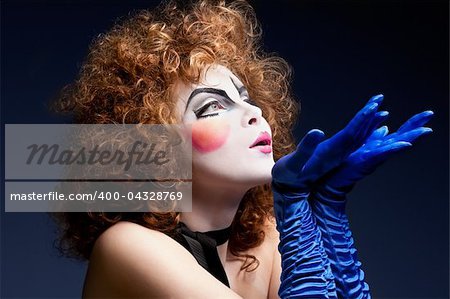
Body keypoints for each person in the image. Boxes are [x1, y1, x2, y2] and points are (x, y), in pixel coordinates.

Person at [52, 0, 433, 298]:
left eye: (246, 98)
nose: (253, 113)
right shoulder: (128, 246)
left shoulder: (264, 237)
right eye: (212, 107)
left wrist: (329, 212)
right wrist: (296, 206)